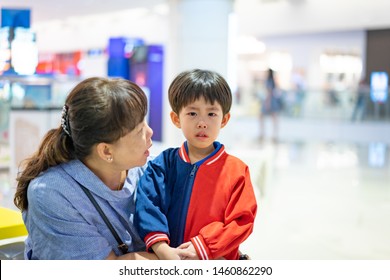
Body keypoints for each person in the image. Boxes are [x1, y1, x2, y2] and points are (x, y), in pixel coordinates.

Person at [13, 77, 157, 260]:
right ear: (106, 151)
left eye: (144, 122)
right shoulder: (51, 193)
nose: (150, 132)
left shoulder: (150, 170)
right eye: (139, 131)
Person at [134, 69, 258, 260]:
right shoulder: (162, 166)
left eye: (211, 114)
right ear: (176, 119)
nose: (202, 123)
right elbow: (147, 206)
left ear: (224, 119)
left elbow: (242, 221)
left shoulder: (237, 171)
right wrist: (163, 250)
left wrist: (204, 247)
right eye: (192, 113)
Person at [259, 68, 281, 142]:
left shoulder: (269, 81)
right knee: (274, 118)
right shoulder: (272, 81)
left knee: (263, 116)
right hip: (272, 100)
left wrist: (267, 103)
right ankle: (274, 134)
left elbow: (269, 92)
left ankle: (263, 133)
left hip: (269, 101)